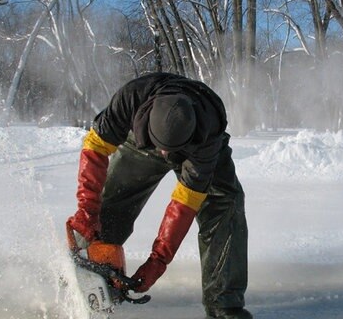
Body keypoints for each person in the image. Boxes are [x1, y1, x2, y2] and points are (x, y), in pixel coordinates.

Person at [66, 73, 251, 319]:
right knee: (110, 206)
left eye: (169, 150)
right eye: (162, 147)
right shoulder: (131, 98)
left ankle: (224, 305)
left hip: (197, 149)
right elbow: (95, 149)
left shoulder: (207, 129)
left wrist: (158, 261)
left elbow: (184, 204)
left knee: (224, 206)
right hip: (141, 139)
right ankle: (94, 276)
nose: (164, 153)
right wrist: (87, 209)